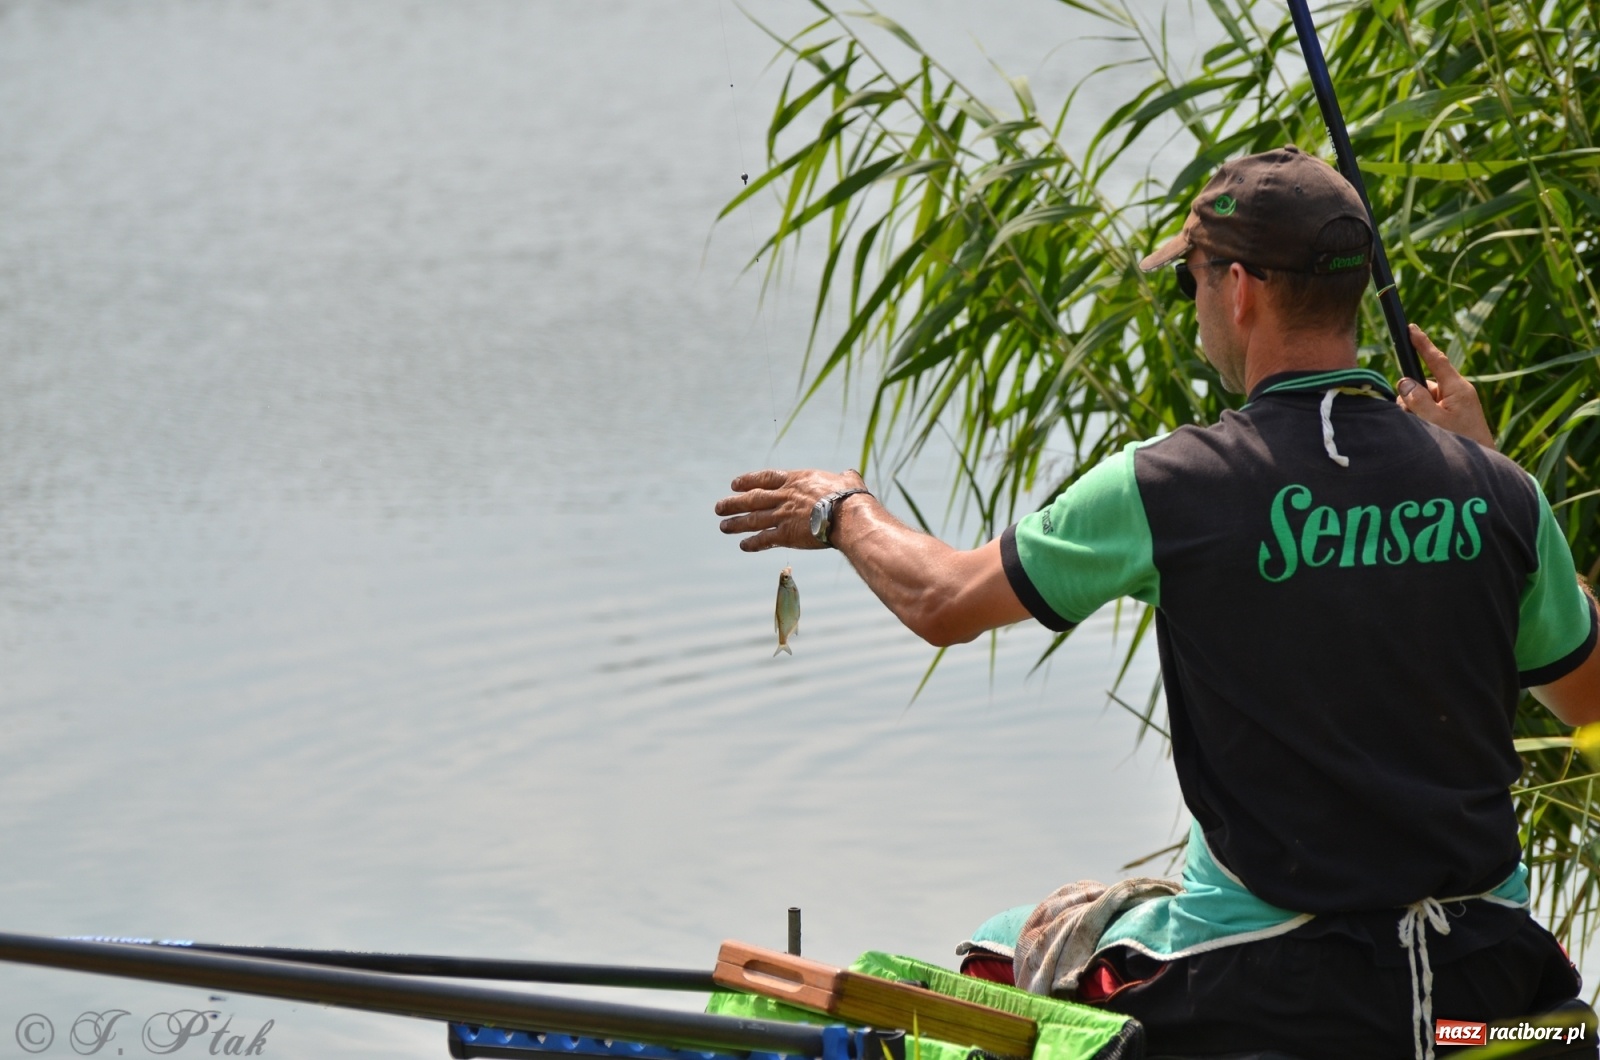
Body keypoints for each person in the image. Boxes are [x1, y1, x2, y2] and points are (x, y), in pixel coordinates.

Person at [714, 145, 1600, 1058]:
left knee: (1005, 951)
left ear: (1242, 289)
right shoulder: (1501, 498)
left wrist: (841, 509)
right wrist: (1493, 464)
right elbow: (1592, 704)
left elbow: (940, 599)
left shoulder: (1170, 485)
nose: (1197, 310)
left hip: (1275, 993)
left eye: (1193, 283)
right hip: (1488, 998)